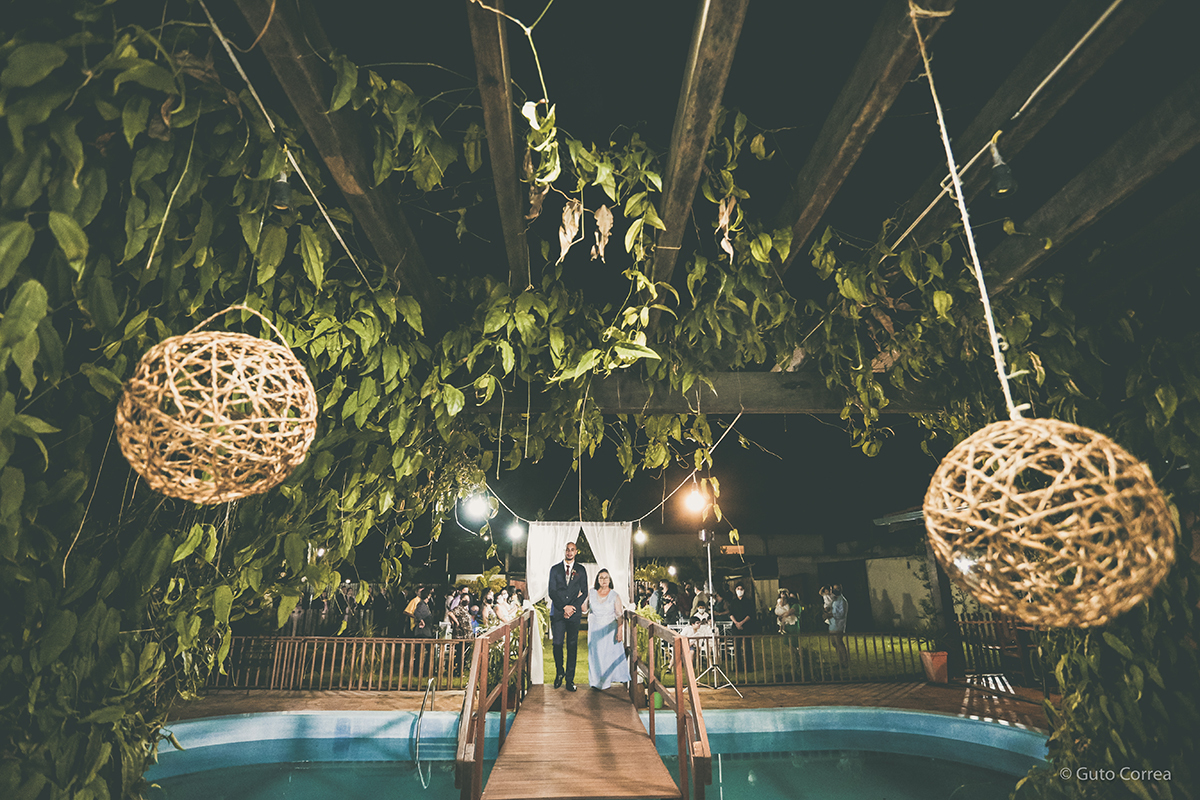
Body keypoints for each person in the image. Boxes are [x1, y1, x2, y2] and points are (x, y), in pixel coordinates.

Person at [548, 540, 588, 691]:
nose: (569, 552)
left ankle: (570, 680)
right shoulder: (555, 569)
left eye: (572, 550)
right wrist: (564, 607)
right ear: (564, 551)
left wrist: (573, 607)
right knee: (557, 644)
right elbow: (552, 591)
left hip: (574, 613)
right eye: (567, 549)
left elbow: (584, 591)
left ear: (576, 552)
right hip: (558, 612)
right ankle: (560, 672)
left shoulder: (581, 570)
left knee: (572, 646)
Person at [583, 569, 631, 690]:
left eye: (606, 578)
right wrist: (581, 595)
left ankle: (606, 682)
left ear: (610, 580)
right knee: (595, 655)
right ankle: (595, 682)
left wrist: (619, 631)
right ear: (597, 580)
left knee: (607, 656)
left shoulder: (614, 595)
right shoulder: (591, 593)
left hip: (609, 629)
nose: (603, 580)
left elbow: (619, 615)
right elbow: (584, 609)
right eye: (601, 578)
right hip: (594, 629)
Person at [727, 583, 757, 670]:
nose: (739, 591)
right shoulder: (733, 602)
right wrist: (736, 623)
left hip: (746, 626)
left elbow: (750, 614)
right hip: (736, 627)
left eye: (741, 589)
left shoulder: (748, 601)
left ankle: (749, 666)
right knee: (737, 647)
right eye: (738, 589)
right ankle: (738, 666)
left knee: (747, 646)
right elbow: (731, 614)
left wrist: (742, 623)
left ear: (744, 590)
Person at [828, 584, 849, 668]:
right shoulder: (834, 600)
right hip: (832, 624)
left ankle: (845, 662)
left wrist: (831, 615)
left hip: (838, 625)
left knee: (839, 642)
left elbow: (841, 614)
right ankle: (840, 661)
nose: (834, 590)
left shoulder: (842, 601)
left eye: (836, 589)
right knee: (834, 643)